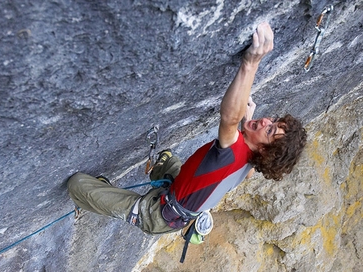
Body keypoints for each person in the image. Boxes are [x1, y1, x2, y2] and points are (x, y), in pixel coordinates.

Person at [67, 22, 307, 235]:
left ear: (264, 152)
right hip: (180, 195)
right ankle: (159, 174)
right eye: (273, 122)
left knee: (77, 184)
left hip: (157, 214)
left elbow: (228, 118)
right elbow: (245, 154)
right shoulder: (252, 163)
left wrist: (251, 63)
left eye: (269, 131)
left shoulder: (233, 151)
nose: (266, 122)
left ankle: (102, 194)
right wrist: (249, 125)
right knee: (165, 159)